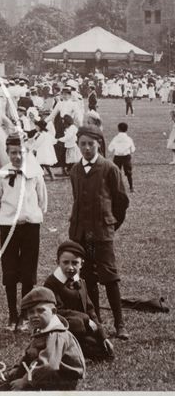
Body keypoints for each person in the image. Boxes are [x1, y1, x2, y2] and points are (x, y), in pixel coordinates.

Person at [69, 125, 130, 340]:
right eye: (83, 144)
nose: (86, 148)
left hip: (102, 234)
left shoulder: (109, 168)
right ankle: (96, 321)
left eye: (91, 144)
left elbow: (121, 202)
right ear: (78, 144)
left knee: (110, 277)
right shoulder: (75, 170)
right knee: (86, 278)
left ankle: (119, 323)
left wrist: (110, 224)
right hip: (80, 234)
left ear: (99, 145)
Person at [0, 134, 47, 331]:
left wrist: (30, 215)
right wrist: (10, 216)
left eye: (21, 152)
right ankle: (12, 315)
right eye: (13, 152)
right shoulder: (2, 176)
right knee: (10, 270)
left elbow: (42, 200)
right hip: (9, 227)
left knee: (28, 271)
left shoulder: (34, 174)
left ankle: (24, 315)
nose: (17, 156)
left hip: (31, 226)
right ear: (7, 153)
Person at [0, 287, 86, 391]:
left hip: (60, 382)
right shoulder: (42, 331)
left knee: (19, 388)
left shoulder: (57, 334)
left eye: (40, 310)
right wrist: (14, 372)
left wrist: (25, 381)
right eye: (31, 312)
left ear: (53, 311)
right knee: (6, 385)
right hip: (45, 375)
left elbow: (49, 365)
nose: (34, 316)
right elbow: (29, 356)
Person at [43, 241, 115, 361]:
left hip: (81, 327)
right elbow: (56, 311)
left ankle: (78, 349)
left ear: (81, 264)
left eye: (75, 263)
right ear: (57, 262)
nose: (70, 267)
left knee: (104, 352)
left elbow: (90, 310)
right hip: (62, 328)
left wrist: (103, 337)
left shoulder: (81, 282)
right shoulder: (52, 283)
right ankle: (67, 350)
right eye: (65, 262)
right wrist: (85, 319)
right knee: (79, 326)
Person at [108, 122, 136, 193]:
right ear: (126, 129)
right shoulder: (129, 139)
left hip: (117, 157)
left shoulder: (115, 138)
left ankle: (115, 188)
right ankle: (131, 187)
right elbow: (133, 149)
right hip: (126, 156)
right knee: (128, 173)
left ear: (118, 129)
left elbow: (110, 148)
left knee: (116, 172)